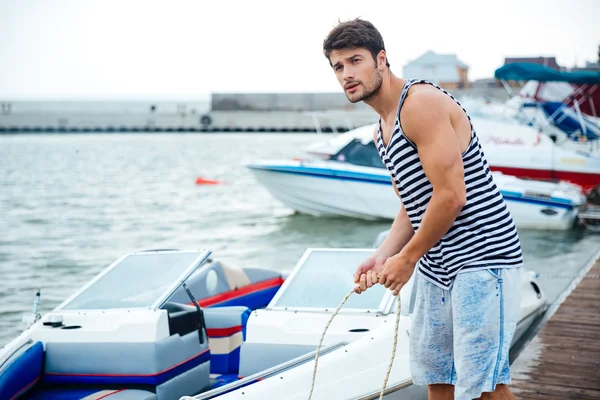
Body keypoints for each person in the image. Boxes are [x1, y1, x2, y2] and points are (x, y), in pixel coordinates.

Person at [322, 19, 524, 400]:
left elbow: (451, 196)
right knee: (438, 377)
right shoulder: (382, 127)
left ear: (381, 60)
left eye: (355, 61)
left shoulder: (420, 104)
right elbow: (410, 205)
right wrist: (384, 256)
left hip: (482, 260)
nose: (347, 74)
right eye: (338, 67)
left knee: (485, 389)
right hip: (437, 266)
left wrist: (407, 260)